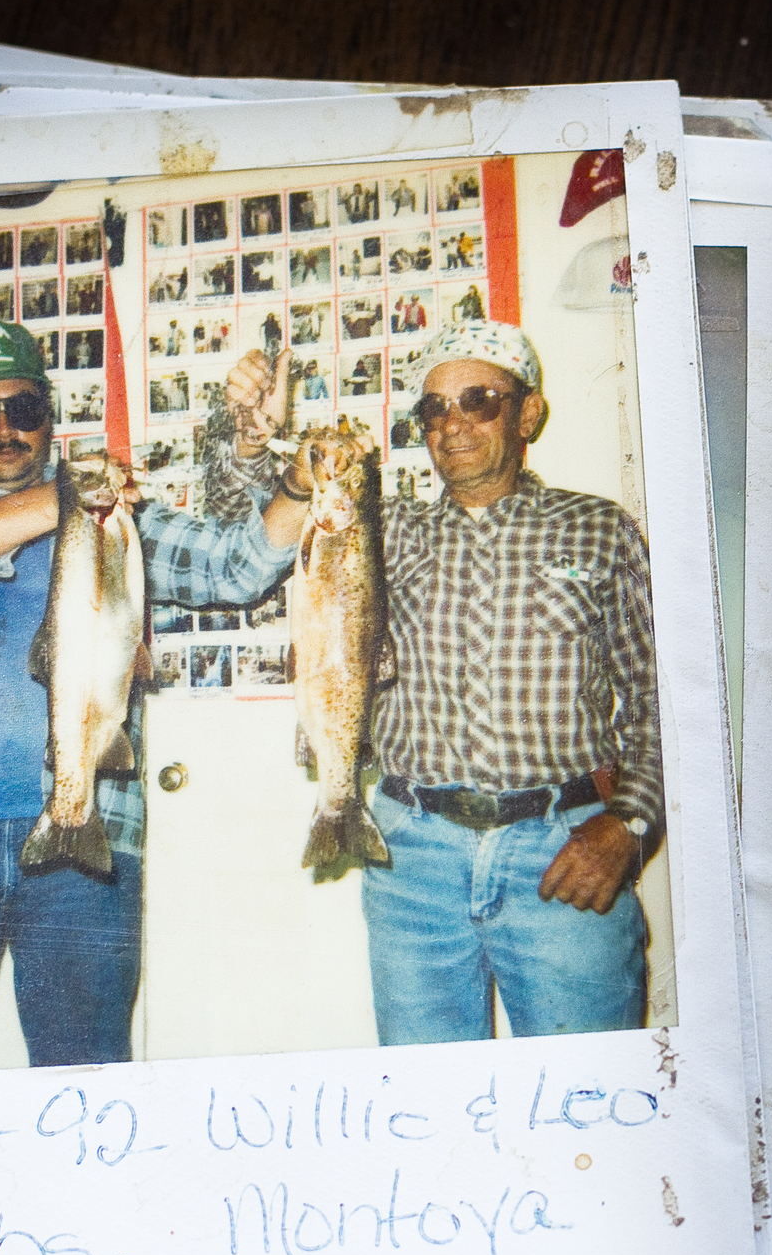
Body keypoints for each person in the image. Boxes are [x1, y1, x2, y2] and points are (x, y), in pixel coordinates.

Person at [0, 319, 312, 1075]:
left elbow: (235, 568)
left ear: (48, 415)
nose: (5, 429)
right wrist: (66, 501)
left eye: (24, 410)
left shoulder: (115, 513)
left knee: (88, 1075)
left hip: (89, 830)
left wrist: (291, 479)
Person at [268, 320, 662, 1045]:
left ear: (527, 414)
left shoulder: (600, 530)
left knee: (587, 1105)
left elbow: (662, 697)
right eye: (434, 408)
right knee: (431, 1112)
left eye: (479, 400)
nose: (452, 425)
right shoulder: (381, 529)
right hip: (410, 858)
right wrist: (282, 457)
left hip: (565, 851)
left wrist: (628, 824)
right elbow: (261, 546)